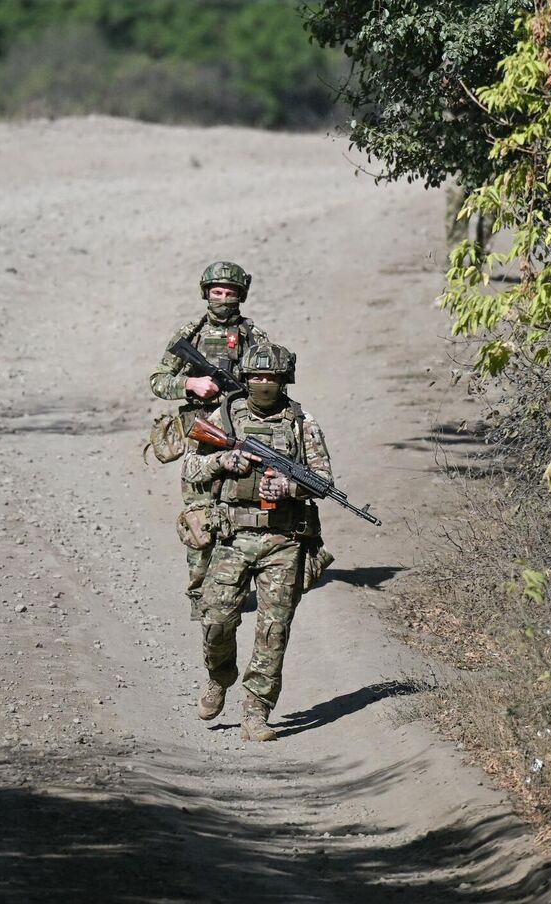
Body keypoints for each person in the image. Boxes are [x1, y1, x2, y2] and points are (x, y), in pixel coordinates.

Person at [182, 342, 330, 742]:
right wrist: (222, 460)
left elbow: (323, 479)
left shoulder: (302, 423)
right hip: (233, 537)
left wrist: (289, 486)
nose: (264, 383)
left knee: (273, 631)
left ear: (285, 380)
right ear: (246, 379)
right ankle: (219, 675)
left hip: (284, 540)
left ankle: (255, 712)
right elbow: (191, 467)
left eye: (272, 377)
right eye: (257, 376)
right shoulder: (225, 416)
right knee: (215, 620)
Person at [149, 261, 269, 619]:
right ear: (206, 293)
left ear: (240, 296)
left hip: (240, 438)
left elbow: (272, 384)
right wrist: (190, 384)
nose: (223, 299)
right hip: (201, 441)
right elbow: (158, 380)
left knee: (240, 515)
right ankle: (200, 595)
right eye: (217, 292)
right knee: (200, 518)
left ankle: (231, 592)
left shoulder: (254, 337)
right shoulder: (191, 333)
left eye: (230, 293)